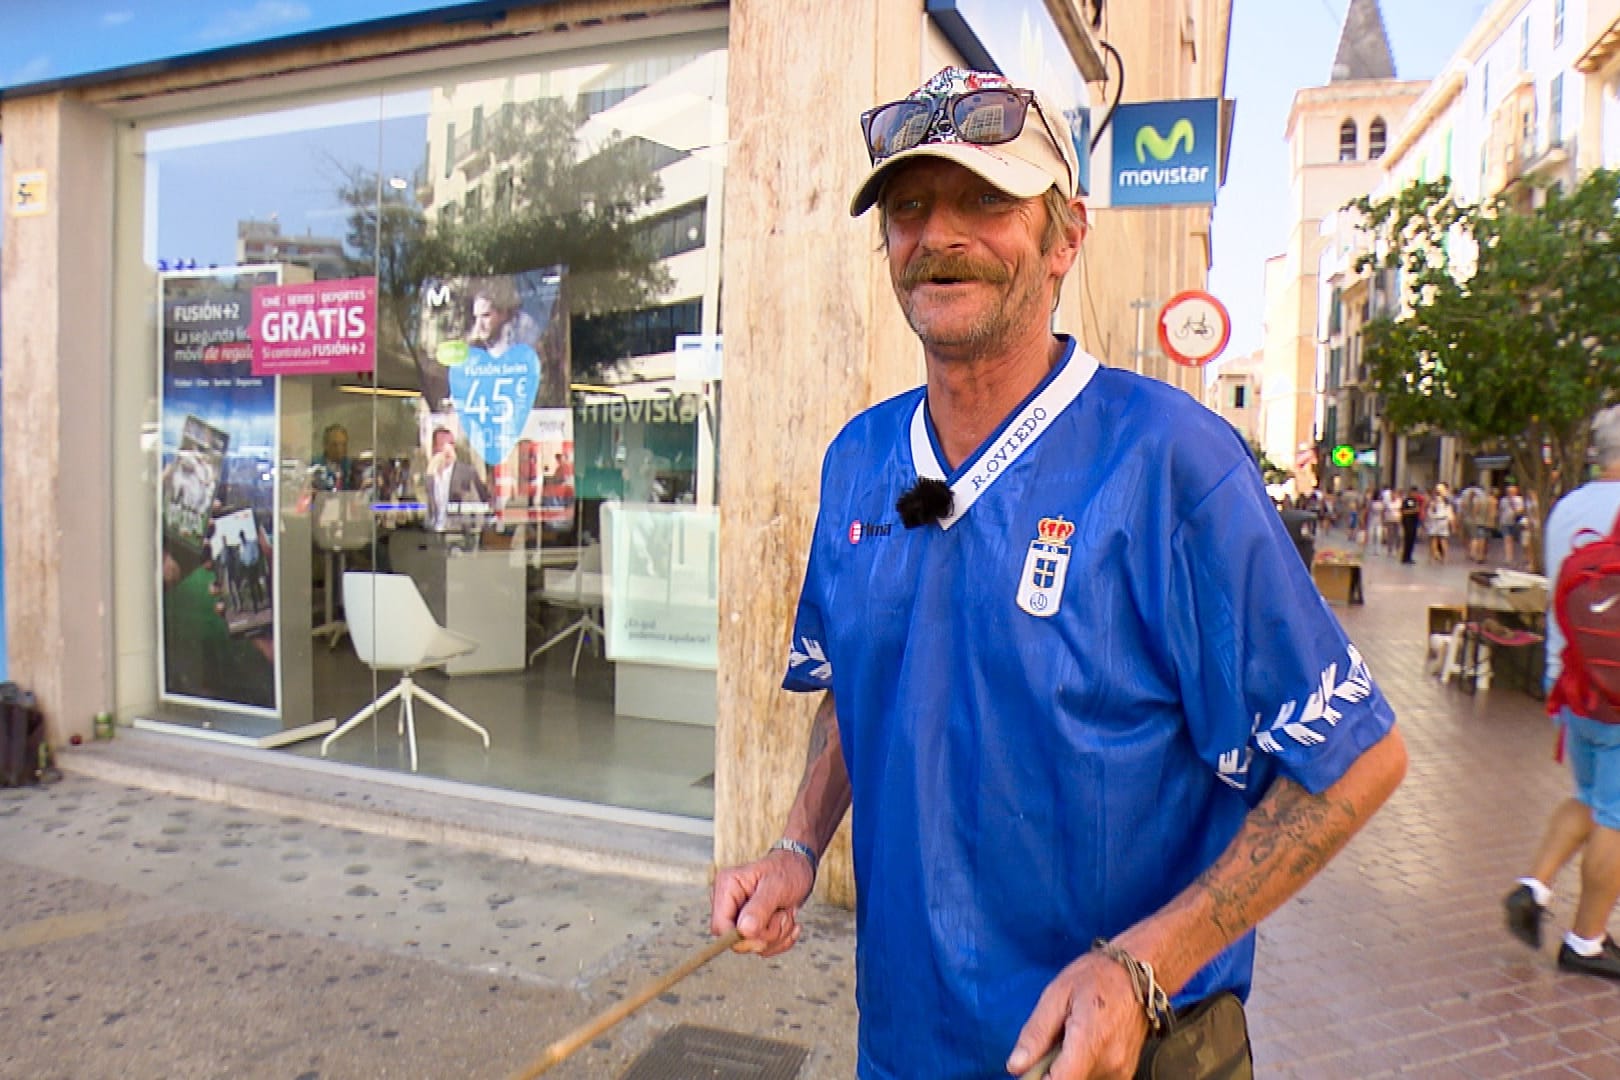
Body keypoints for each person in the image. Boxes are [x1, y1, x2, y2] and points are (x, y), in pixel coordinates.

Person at [708, 67, 1408, 1080]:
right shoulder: (861, 462)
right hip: (902, 1046)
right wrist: (795, 848)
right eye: (909, 208)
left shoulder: (1175, 465)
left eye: (986, 201)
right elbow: (865, 690)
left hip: (1117, 1054)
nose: (939, 234)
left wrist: (1143, 964)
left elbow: (1356, 763)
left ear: (1065, 236)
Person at [1505, 406, 1620, 979]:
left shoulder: (1566, 509)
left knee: (1595, 798)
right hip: (1619, 694)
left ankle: (1534, 887)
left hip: (1569, 683)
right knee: (1617, 818)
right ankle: (1587, 941)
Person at [424, 426, 490, 531]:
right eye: (443, 445)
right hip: (432, 534)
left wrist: (476, 532)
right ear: (435, 448)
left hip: (459, 533)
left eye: (451, 444)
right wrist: (431, 470)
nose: (448, 450)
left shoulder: (467, 473)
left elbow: (481, 504)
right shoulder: (430, 475)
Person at [311, 423, 355, 491]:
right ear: (325, 445)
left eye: (343, 444)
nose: (340, 449)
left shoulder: (351, 466)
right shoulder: (315, 466)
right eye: (335, 445)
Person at [1499, 482, 1528, 567]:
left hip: (1516, 523)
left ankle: (1525, 557)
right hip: (1506, 522)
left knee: (1521, 541)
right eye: (1508, 491)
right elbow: (1501, 511)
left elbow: (1521, 510)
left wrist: (1515, 510)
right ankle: (1509, 558)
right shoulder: (1503, 500)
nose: (1510, 492)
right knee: (1508, 540)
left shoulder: (1519, 499)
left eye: (1512, 491)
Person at [1425, 484, 1454, 563]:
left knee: (1434, 538)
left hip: (1436, 520)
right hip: (1443, 520)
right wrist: (1451, 522)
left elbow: (1430, 511)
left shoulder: (1434, 500)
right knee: (1443, 539)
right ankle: (1445, 558)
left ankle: (1432, 557)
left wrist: (1429, 518)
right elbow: (1449, 512)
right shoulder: (1446, 500)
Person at [1399, 485, 1424, 564]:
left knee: (1412, 541)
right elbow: (1405, 511)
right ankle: (1405, 557)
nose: (1415, 494)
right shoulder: (1408, 500)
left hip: (1414, 523)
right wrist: (1415, 510)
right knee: (1408, 540)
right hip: (1408, 523)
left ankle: (1409, 556)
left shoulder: (1415, 501)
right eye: (1414, 492)